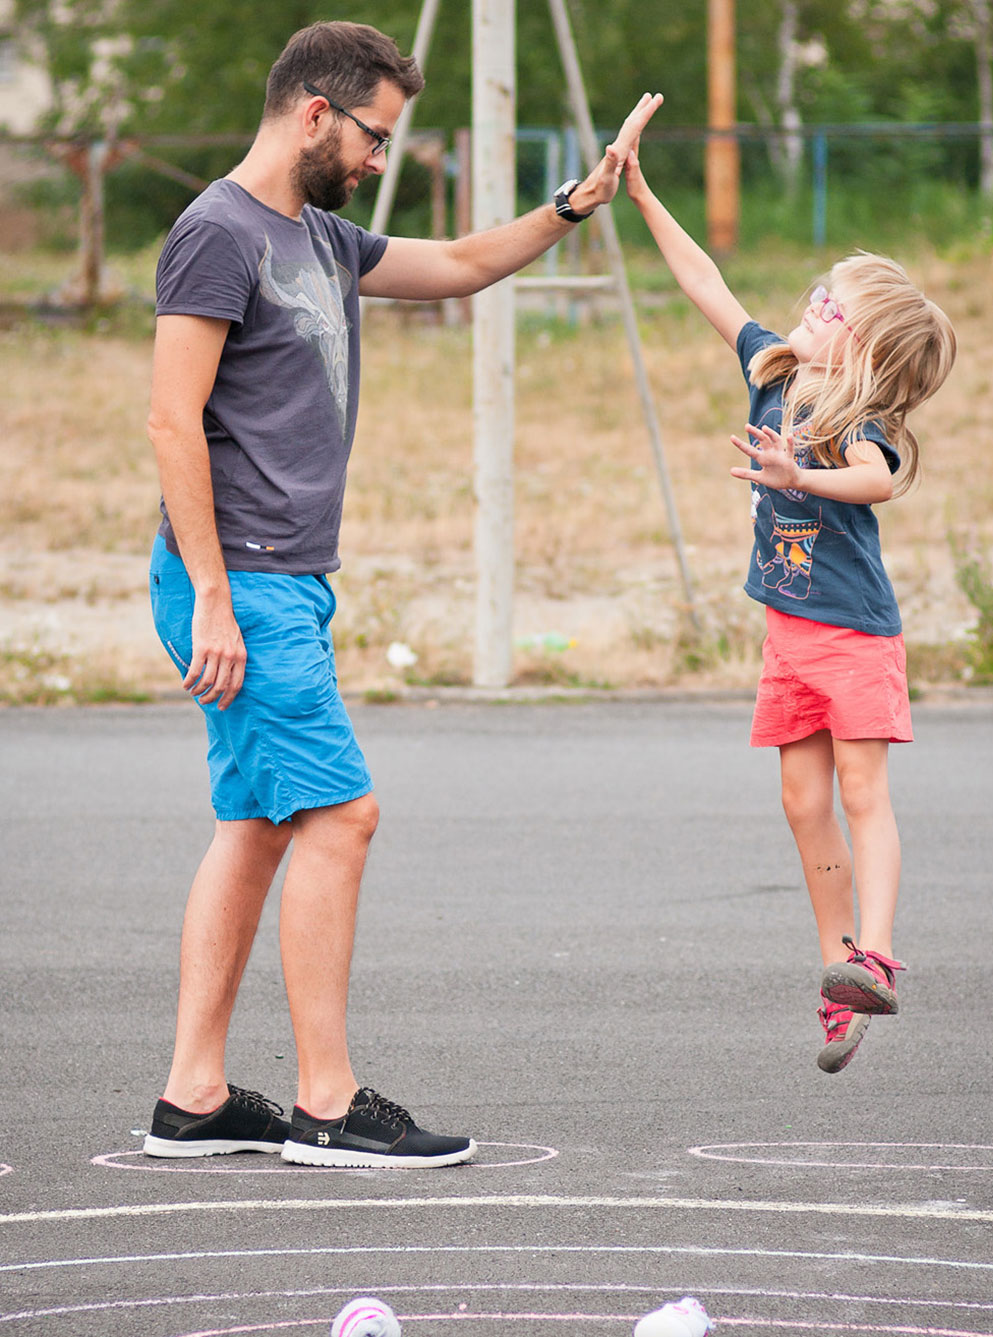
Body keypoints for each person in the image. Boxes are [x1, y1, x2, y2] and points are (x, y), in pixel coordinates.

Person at [142, 19, 664, 1166]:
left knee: (258, 826)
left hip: (287, 582)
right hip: (242, 583)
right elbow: (171, 419)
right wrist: (218, 602)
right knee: (342, 813)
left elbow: (464, 265)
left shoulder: (321, 238)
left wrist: (574, 205)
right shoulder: (216, 234)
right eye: (375, 134)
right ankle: (327, 1103)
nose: (381, 158)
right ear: (315, 113)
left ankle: (192, 1093)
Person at [623, 148, 956, 1074]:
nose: (813, 305)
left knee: (859, 792)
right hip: (790, 638)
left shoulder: (852, 419)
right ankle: (838, 973)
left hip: (854, 638)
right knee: (802, 801)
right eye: (819, 292)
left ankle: (878, 954)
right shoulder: (771, 372)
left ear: (863, 350)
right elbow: (704, 279)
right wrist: (644, 189)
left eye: (832, 306)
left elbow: (878, 482)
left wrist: (797, 472)